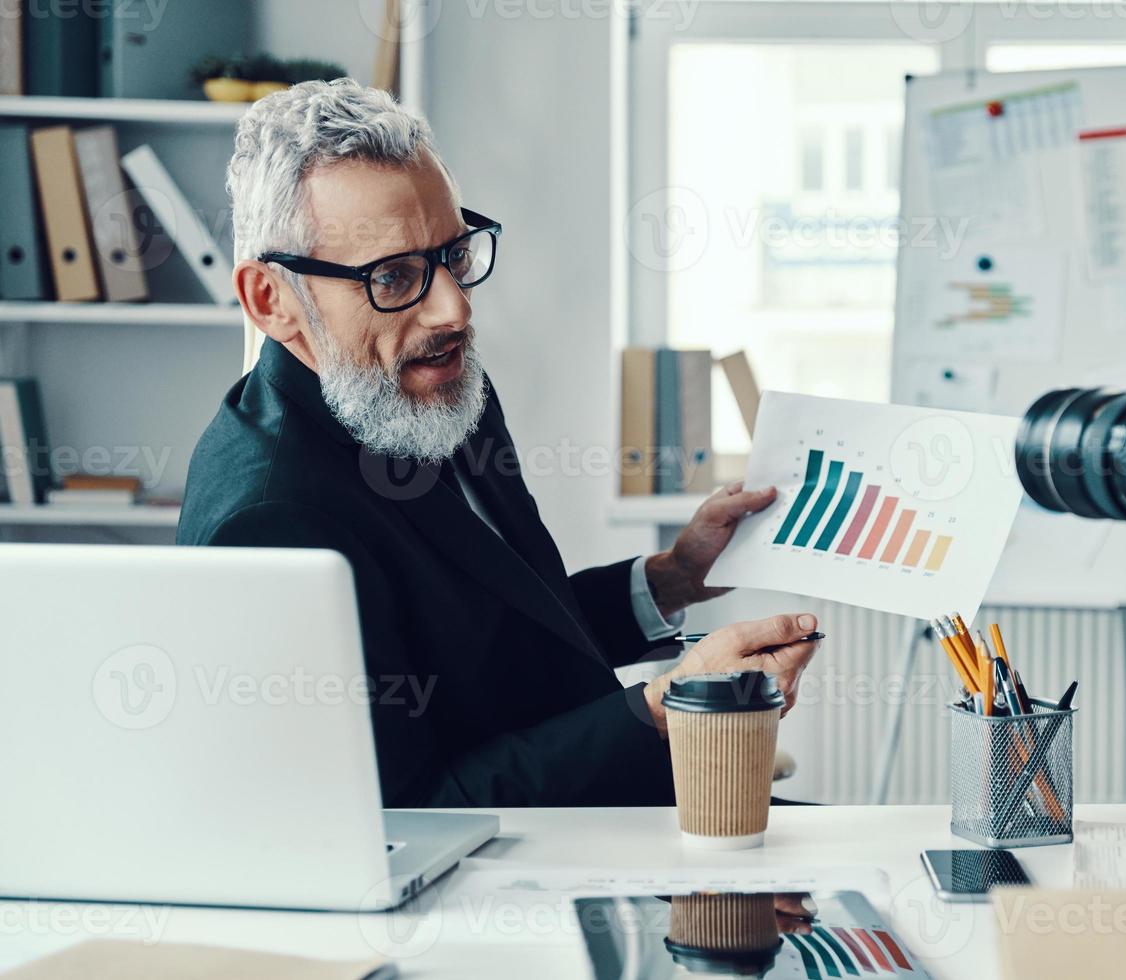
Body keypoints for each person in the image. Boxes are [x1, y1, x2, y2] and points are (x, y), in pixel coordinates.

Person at [177, 79, 820, 808]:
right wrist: (666, 708)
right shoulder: (271, 519)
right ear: (272, 300)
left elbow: (502, 640)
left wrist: (674, 576)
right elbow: (401, 815)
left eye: (453, 254)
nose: (454, 307)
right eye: (393, 276)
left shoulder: (427, 385)